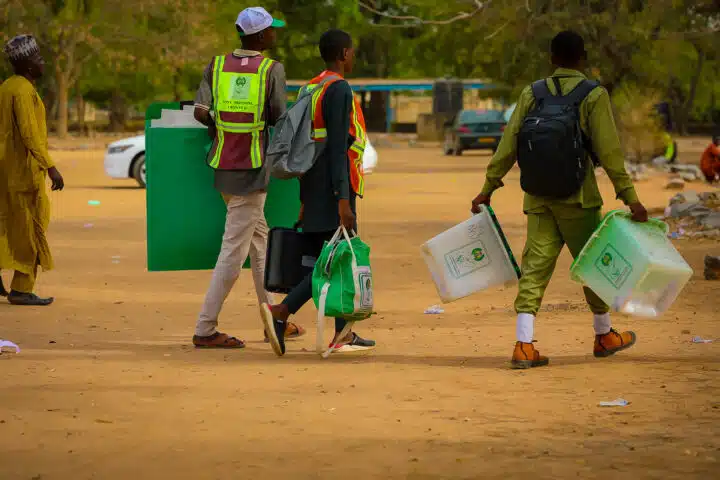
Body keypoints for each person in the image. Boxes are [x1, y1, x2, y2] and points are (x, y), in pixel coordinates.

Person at [471, 31, 649, 369]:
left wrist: (488, 188)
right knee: (593, 266)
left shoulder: (532, 93)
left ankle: (523, 344)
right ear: (582, 58)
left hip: (538, 197)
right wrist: (630, 198)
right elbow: (610, 153)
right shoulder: (593, 95)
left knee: (534, 269)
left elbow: (508, 145)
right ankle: (604, 334)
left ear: (552, 59)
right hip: (577, 199)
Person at [191, 7, 306, 348]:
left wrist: (224, 131)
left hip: (223, 166)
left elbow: (200, 110)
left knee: (260, 246)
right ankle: (205, 328)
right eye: (272, 30)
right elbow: (278, 118)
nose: (275, 35)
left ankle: (275, 317)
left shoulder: (217, 65)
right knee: (233, 252)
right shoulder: (272, 70)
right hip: (253, 169)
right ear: (259, 36)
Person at [260, 29, 376, 357]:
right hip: (334, 186)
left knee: (331, 258)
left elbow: (303, 145)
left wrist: (303, 197)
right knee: (332, 261)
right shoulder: (338, 88)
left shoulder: (311, 86)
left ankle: (343, 332)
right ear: (342, 54)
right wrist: (343, 199)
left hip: (313, 184)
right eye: (351, 51)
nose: (353, 57)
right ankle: (282, 311)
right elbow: (338, 147)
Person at [0, 35, 64, 306]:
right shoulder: (23, 91)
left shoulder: (6, 87)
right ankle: (21, 289)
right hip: (24, 173)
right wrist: (50, 167)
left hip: (5, 170)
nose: (43, 63)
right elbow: (29, 135)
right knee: (32, 227)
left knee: (8, 224)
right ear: (27, 65)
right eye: (38, 59)